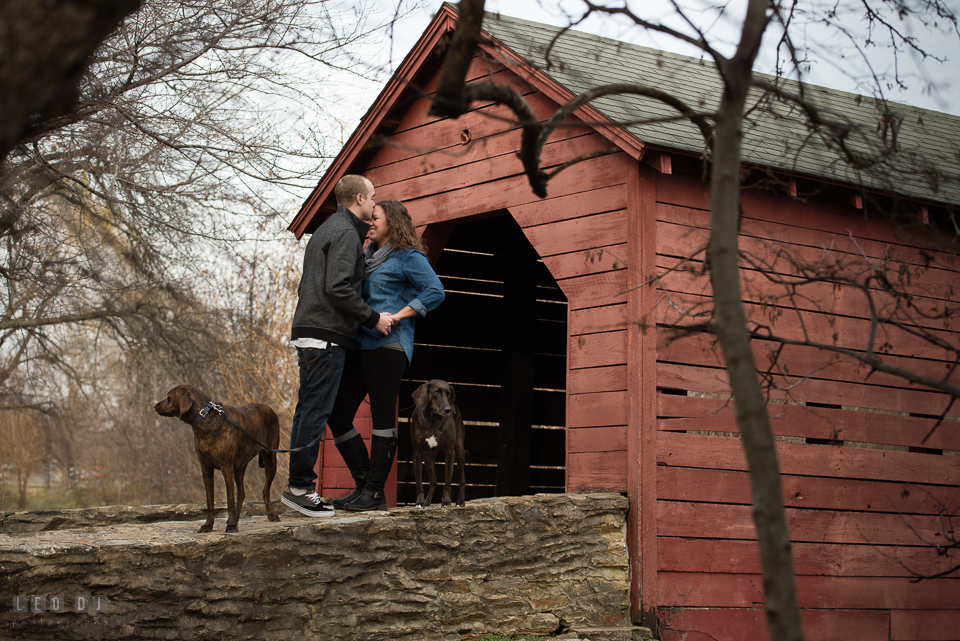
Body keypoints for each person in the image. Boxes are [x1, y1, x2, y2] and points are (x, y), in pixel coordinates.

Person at [282, 175, 393, 517]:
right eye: (373, 198)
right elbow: (339, 289)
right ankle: (300, 488)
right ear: (359, 198)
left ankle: (297, 485)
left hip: (308, 329)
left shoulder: (327, 229)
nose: (375, 204)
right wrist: (374, 318)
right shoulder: (346, 233)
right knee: (316, 411)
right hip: (326, 334)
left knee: (309, 409)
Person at [326, 199, 445, 512]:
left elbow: (435, 291)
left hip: (389, 346)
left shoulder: (408, 256)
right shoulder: (367, 256)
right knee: (336, 413)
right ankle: (366, 483)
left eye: (375, 218)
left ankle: (374, 491)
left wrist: (399, 315)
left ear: (392, 222)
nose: (371, 223)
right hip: (360, 345)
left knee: (382, 416)